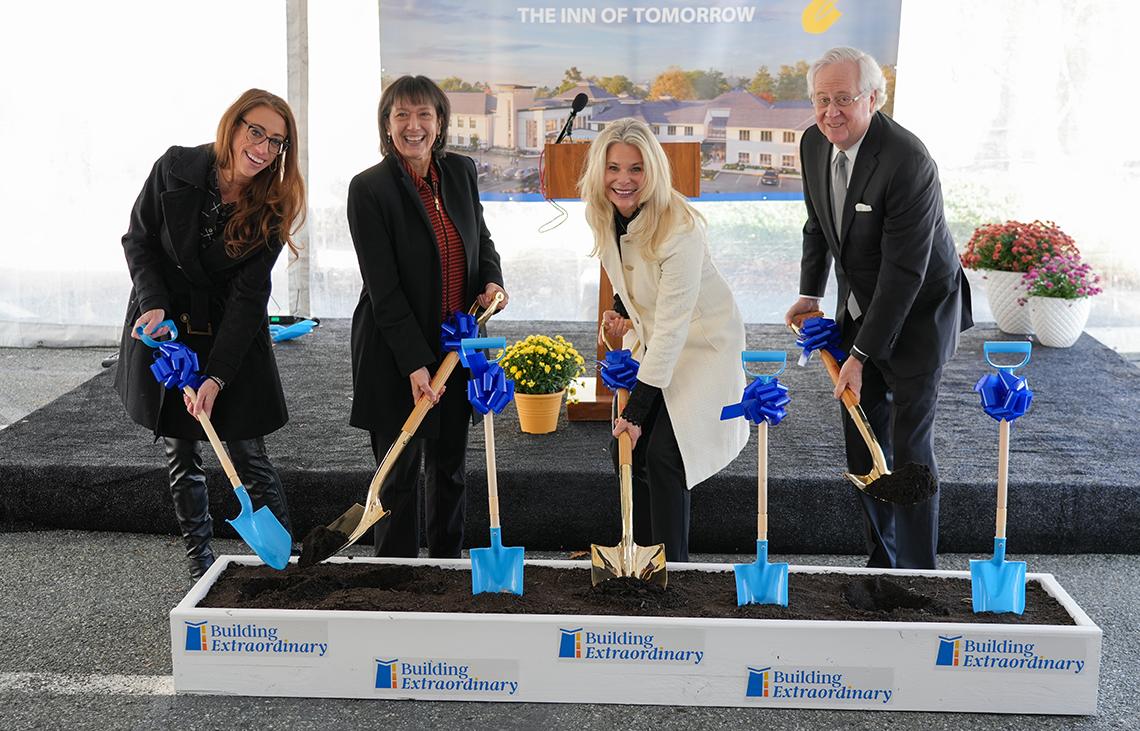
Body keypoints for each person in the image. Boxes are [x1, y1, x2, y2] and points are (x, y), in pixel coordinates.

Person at [784, 47, 973, 570]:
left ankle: (918, 574)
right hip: (860, 306)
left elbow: (904, 274)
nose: (831, 112)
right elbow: (818, 224)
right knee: (864, 446)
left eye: (843, 98)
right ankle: (883, 562)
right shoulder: (812, 143)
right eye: (822, 100)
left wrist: (860, 355)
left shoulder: (908, 161)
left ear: (873, 97)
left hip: (920, 315)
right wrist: (810, 292)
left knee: (908, 451)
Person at [115, 89, 305, 580]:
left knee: (246, 451)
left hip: (229, 336)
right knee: (182, 449)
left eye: (276, 142)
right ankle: (199, 564)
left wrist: (217, 377)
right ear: (233, 125)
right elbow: (139, 240)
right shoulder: (175, 167)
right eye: (256, 132)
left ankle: (283, 567)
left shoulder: (270, 208)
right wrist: (153, 303)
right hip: (168, 330)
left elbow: (247, 301)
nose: (263, 149)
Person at [346, 75, 507, 559]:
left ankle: (445, 572)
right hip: (396, 350)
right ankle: (395, 582)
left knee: (450, 469)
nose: (413, 126)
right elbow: (384, 289)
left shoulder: (460, 171)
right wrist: (414, 364)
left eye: (423, 115)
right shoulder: (369, 189)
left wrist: (492, 278)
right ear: (387, 124)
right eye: (401, 115)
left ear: (440, 123)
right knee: (397, 476)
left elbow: (481, 237)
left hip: (457, 347)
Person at [580, 117, 748, 562]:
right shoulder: (606, 215)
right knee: (632, 453)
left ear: (652, 171)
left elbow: (674, 328)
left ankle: (674, 573)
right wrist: (619, 305)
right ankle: (644, 561)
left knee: (665, 455)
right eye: (614, 168)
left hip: (700, 346)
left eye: (636, 169)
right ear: (600, 171)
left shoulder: (680, 228)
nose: (624, 180)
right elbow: (630, 269)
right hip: (657, 342)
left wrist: (636, 411)